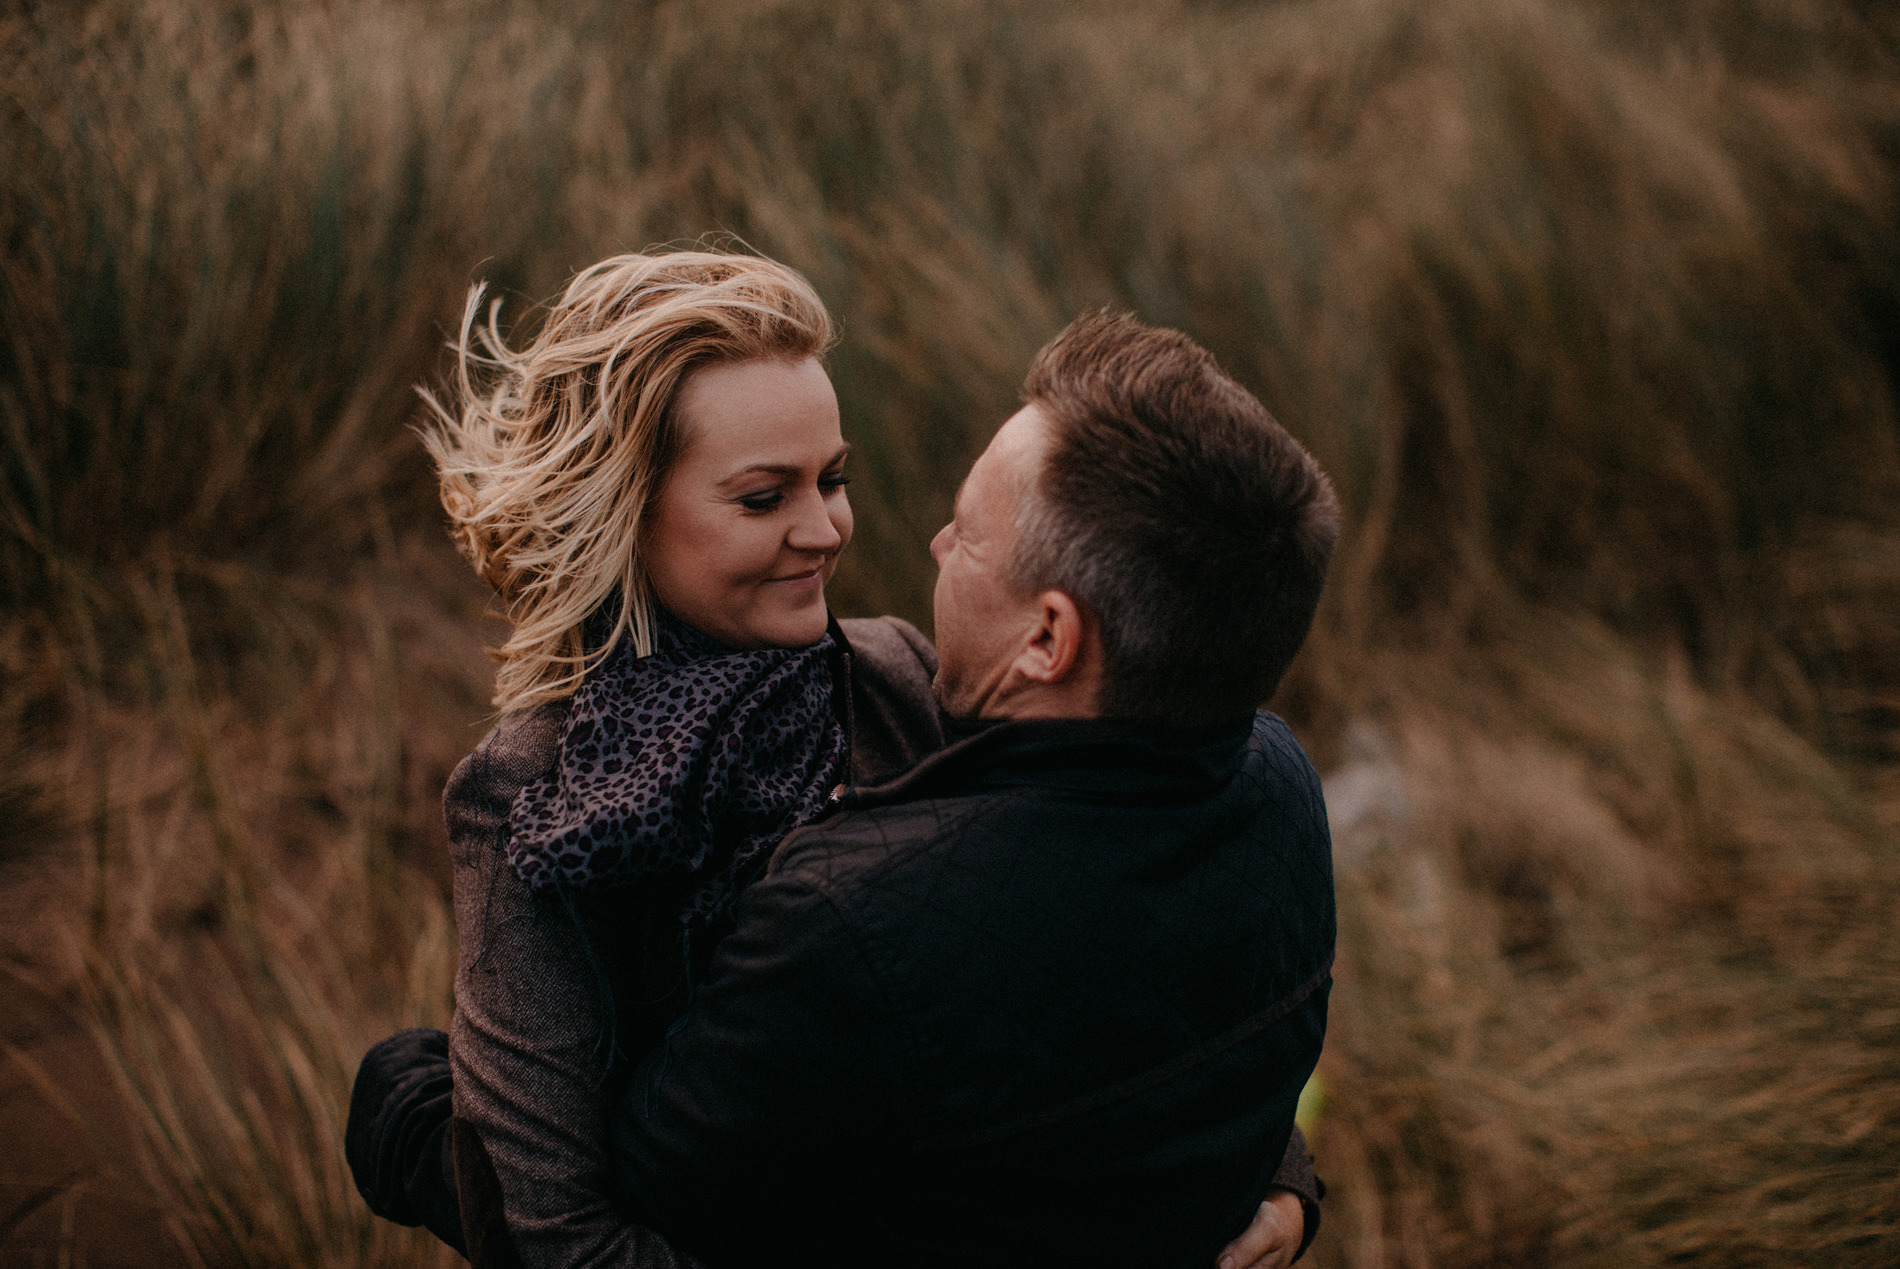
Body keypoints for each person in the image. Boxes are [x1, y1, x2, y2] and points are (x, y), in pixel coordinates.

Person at [345, 255, 1324, 1267]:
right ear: (623, 511)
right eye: (764, 498)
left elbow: (1100, 935)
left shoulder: (898, 675)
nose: (824, 531)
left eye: (834, 480)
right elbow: (549, 1233)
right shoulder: (535, 790)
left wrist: (1277, 1175)